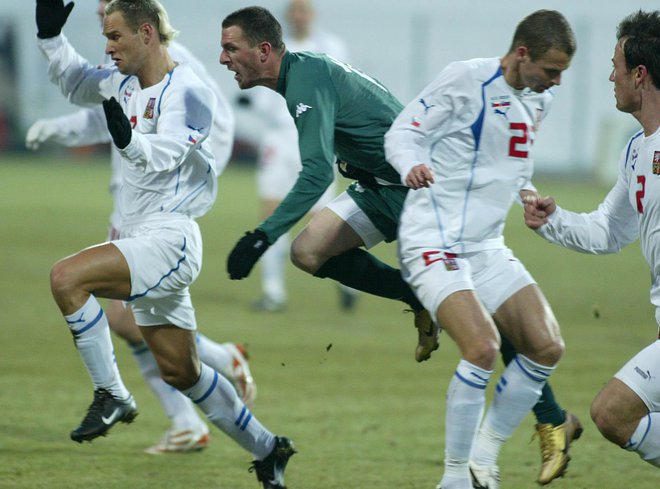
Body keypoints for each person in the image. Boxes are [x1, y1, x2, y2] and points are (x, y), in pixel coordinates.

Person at [35, 1, 294, 487]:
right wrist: (50, 37)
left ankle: (111, 393)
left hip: (169, 236)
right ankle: (267, 448)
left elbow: (171, 151)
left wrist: (129, 142)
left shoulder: (191, 89)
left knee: (66, 278)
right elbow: (74, 83)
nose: (107, 47)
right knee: (182, 371)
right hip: (140, 237)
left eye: (115, 36)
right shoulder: (119, 79)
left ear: (147, 33)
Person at [384, 10, 576, 489]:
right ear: (522, 53)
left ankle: (481, 461)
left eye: (562, 74)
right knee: (483, 348)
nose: (555, 83)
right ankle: (454, 480)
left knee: (546, 346)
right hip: (433, 239)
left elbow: (511, 166)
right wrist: (411, 164)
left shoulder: (538, 101)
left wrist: (529, 198)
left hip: (486, 245)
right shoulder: (466, 78)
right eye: (551, 70)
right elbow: (403, 131)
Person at [220, 6, 439, 364]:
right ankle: (417, 295)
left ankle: (549, 416)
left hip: (421, 189)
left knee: (477, 308)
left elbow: (317, 174)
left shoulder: (305, 80)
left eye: (231, 49)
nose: (223, 59)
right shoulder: (306, 69)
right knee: (308, 251)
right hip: (380, 184)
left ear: (262, 51)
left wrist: (262, 235)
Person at [524, 9, 660, 471]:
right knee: (619, 416)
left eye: (616, 65)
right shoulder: (636, 150)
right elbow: (607, 229)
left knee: (611, 412)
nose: (610, 76)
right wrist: (552, 220)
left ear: (639, 75)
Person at [240, 0, 357, 313]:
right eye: (295, 10)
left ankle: (348, 282)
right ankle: (273, 292)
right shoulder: (271, 50)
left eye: (304, 9)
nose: (299, 15)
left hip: (316, 136)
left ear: (312, 14)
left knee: (323, 220)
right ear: (287, 16)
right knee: (270, 210)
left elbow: (341, 90)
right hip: (279, 138)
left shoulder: (332, 47)